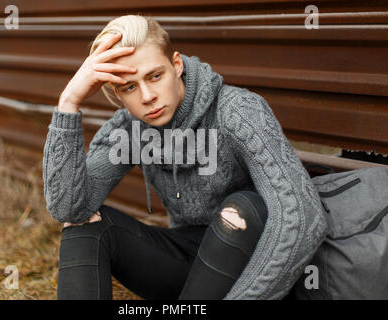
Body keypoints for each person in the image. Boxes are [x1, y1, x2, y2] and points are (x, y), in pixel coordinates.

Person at [42, 15, 328, 300]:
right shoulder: (129, 130)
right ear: (118, 93)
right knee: (85, 225)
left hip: (254, 267)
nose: (147, 96)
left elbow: (303, 216)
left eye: (155, 76)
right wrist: (69, 103)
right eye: (129, 87)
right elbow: (69, 209)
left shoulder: (238, 111)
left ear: (176, 64)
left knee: (240, 207)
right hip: (190, 267)